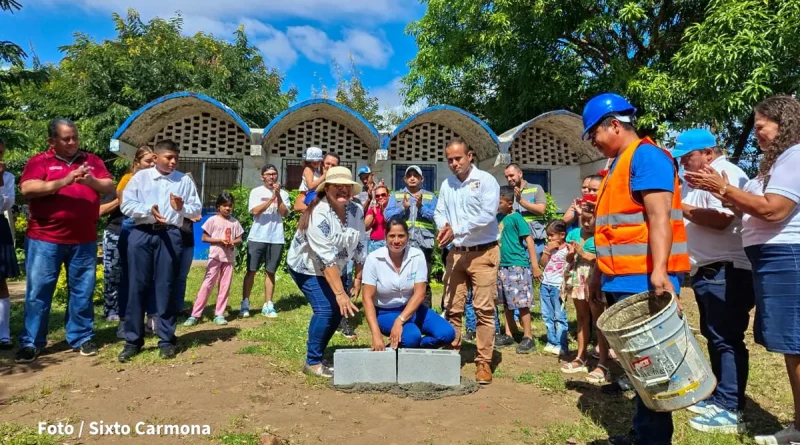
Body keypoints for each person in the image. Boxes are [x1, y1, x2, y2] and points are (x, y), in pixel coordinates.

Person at [685, 95, 800, 445]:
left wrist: (724, 189)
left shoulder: (795, 156)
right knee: (790, 346)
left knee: (794, 343)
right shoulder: (777, 162)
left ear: (784, 123)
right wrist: (726, 195)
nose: (756, 134)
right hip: (768, 260)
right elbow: (748, 212)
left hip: (785, 259)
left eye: (761, 126)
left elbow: (774, 210)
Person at [583, 93, 690, 445]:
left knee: (653, 367)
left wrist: (660, 271)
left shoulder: (647, 157)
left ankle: (653, 440)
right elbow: (611, 229)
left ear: (614, 125)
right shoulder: (618, 163)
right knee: (638, 366)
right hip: (620, 279)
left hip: (644, 280)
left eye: (594, 134)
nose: (593, 142)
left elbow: (659, 218)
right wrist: (599, 272)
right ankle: (642, 433)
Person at [668, 128, 754, 434]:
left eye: (687, 157)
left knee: (727, 338)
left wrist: (679, 206)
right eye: (681, 159)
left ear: (708, 151)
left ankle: (731, 407)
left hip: (727, 268)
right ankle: (721, 397)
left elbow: (722, 220)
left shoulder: (725, 173)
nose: (684, 164)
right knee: (716, 335)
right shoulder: (699, 176)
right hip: (709, 270)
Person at [16, 119, 115, 363]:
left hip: (83, 239)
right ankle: (32, 342)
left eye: (75, 137)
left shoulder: (92, 161)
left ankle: (81, 337)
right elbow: (28, 189)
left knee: (82, 290)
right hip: (45, 239)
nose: (72, 142)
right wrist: (65, 181)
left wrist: (90, 181)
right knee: (39, 291)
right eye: (66, 138)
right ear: (52, 141)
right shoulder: (40, 161)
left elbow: (109, 184)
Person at [118, 139, 202, 363]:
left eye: (176, 158)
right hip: (142, 233)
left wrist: (181, 208)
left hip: (170, 234)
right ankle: (133, 340)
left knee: (165, 285)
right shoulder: (140, 178)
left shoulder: (183, 180)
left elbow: (196, 207)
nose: (173, 162)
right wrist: (148, 210)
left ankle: (166, 338)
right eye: (169, 158)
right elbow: (126, 205)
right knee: (137, 285)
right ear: (155, 158)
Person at [287, 166, 367, 378]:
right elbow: (325, 258)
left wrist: (358, 277)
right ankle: (312, 362)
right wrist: (340, 295)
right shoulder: (318, 213)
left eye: (347, 186)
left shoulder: (356, 210)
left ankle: (320, 353)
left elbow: (360, 244)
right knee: (326, 309)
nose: (343, 190)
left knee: (336, 312)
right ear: (327, 188)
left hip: (336, 266)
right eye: (337, 186)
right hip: (308, 267)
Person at [434, 137, 500, 384]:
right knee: (453, 306)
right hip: (456, 253)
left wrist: (457, 229)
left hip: (483, 252)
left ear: (470, 155)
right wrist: (444, 228)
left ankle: (483, 362)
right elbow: (440, 211)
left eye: (458, 158)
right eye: (449, 159)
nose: (454, 164)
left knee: (483, 310)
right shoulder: (447, 184)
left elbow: (487, 215)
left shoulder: (486, 181)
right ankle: (453, 353)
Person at [362, 216, 456, 350]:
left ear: (408, 236)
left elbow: (420, 293)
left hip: (413, 308)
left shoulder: (417, 256)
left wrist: (400, 320)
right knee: (411, 336)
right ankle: (403, 347)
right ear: (385, 237)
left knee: (447, 333)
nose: (396, 240)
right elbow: (367, 298)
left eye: (401, 236)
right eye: (392, 236)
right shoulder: (374, 259)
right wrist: (376, 334)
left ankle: (412, 349)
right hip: (385, 312)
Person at [561, 196, 605, 381]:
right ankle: (581, 356)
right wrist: (571, 255)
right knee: (581, 318)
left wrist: (582, 253)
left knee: (598, 320)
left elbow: (600, 260)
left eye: (590, 219)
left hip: (593, 279)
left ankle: (602, 361)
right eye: (583, 219)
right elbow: (569, 260)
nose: (586, 223)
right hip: (577, 278)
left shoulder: (602, 236)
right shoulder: (573, 234)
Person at [114, 146, 155, 338]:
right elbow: (125, 206)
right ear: (137, 162)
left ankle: (151, 320)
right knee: (130, 277)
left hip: (153, 230)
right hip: (132, 228)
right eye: (148, 161)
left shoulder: (157, 179)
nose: (152, 164)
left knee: (153, 278)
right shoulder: (127, 179)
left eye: (153, 160)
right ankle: (126, 321)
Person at [185, 192, 243, 326]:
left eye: (230, 206)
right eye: (225, 206)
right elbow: (204, 238)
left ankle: (219, 314)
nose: (227, 209)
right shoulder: (212, 220)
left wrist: (233, 242)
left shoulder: (234, 222)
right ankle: (195, 314)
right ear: (218, 206)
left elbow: (239, 238)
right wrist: (219, 240)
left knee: (225, 285)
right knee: (207, 284)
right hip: (215, 256)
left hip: (229, 258)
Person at [496, 186, 541, 354]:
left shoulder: (517, 218)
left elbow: (529, 241)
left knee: (522, 303)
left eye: (499, 202)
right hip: (503, 266)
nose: (497, 204)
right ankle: (509, 333)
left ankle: (528, 337)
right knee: (507, 302)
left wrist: (535, 266)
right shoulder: (498, 218)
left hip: (517, 265)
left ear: (509, 203)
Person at [385, 165, 438, 308]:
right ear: (404, 179)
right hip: (401, 245)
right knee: (402, 279)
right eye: (409, 175)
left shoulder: (430, 196)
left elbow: (436, 217)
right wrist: (403, 208)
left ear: (422, 179)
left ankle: (425, 312)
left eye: (416, 175)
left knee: (423, 280)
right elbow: (387, 216)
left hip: (423, 245)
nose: (412, 178)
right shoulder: (396, 196)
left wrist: (422, 207)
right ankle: (402, 310)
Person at [242, 164, 290, 318]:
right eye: (268, 174)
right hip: (257, 237)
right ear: (262, 176)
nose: (271, 177)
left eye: (274, 174)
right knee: (251, 270)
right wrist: (271, 199)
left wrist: (279, 196)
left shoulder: (284, 193)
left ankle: (268, 304)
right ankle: (245, 303)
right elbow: (255, 211)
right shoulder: (256, 192)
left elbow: (284, 213)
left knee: (271, 271)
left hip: (276, 238)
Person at [538, 219, 570, 356]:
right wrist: (547, 251)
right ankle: (551, 341)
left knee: (559, 315)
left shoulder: (568, 249)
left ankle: (562, 344)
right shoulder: (549, 248)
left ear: (562, 235)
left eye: (552, 235)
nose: (549, 238)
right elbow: (543, 264)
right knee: (547, 315)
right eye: (548, 235)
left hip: (558, 286)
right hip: (545, 284)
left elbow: (570, 266)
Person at [504, 163, 547, 257]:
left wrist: (521, 201)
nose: (509, 179)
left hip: (535, 242)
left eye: (511, 175)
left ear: (520, 174)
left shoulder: (536, 188)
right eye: (506, 177)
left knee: (533, 270)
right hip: (516, 243)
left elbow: (541, 210)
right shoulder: (508, 194)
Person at [0, 138, 19, 350]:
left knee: (0, 280)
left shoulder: (7, 177)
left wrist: (0, 180)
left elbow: (6, 204)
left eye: (1, 153)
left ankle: (3, 334)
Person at [364, 185, 389, 253]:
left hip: (389, 243)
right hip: (375, 244)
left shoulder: (392, 209)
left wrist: (383, 211)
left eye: (383, 195)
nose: (380, 197)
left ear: (388, 195)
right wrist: (373, 215)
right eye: (377, 196)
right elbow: (366, 227)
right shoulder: (373, 209)